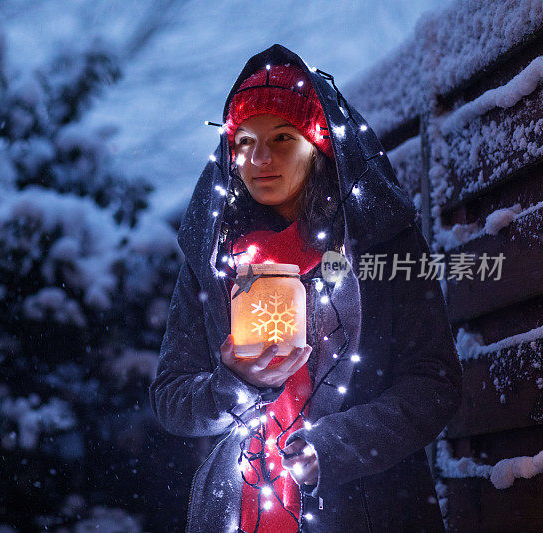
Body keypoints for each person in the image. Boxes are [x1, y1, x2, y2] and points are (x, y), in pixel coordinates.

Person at [149, 44, 462, 532]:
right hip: (238, 510)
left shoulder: (379, 242)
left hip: (369, 510)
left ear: (318, 144)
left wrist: (334, 446)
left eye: (281, 138)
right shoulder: (214, 260)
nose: (259, 158)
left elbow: (435, 381)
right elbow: (171, 397)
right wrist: (235, 385)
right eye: (243, 141)